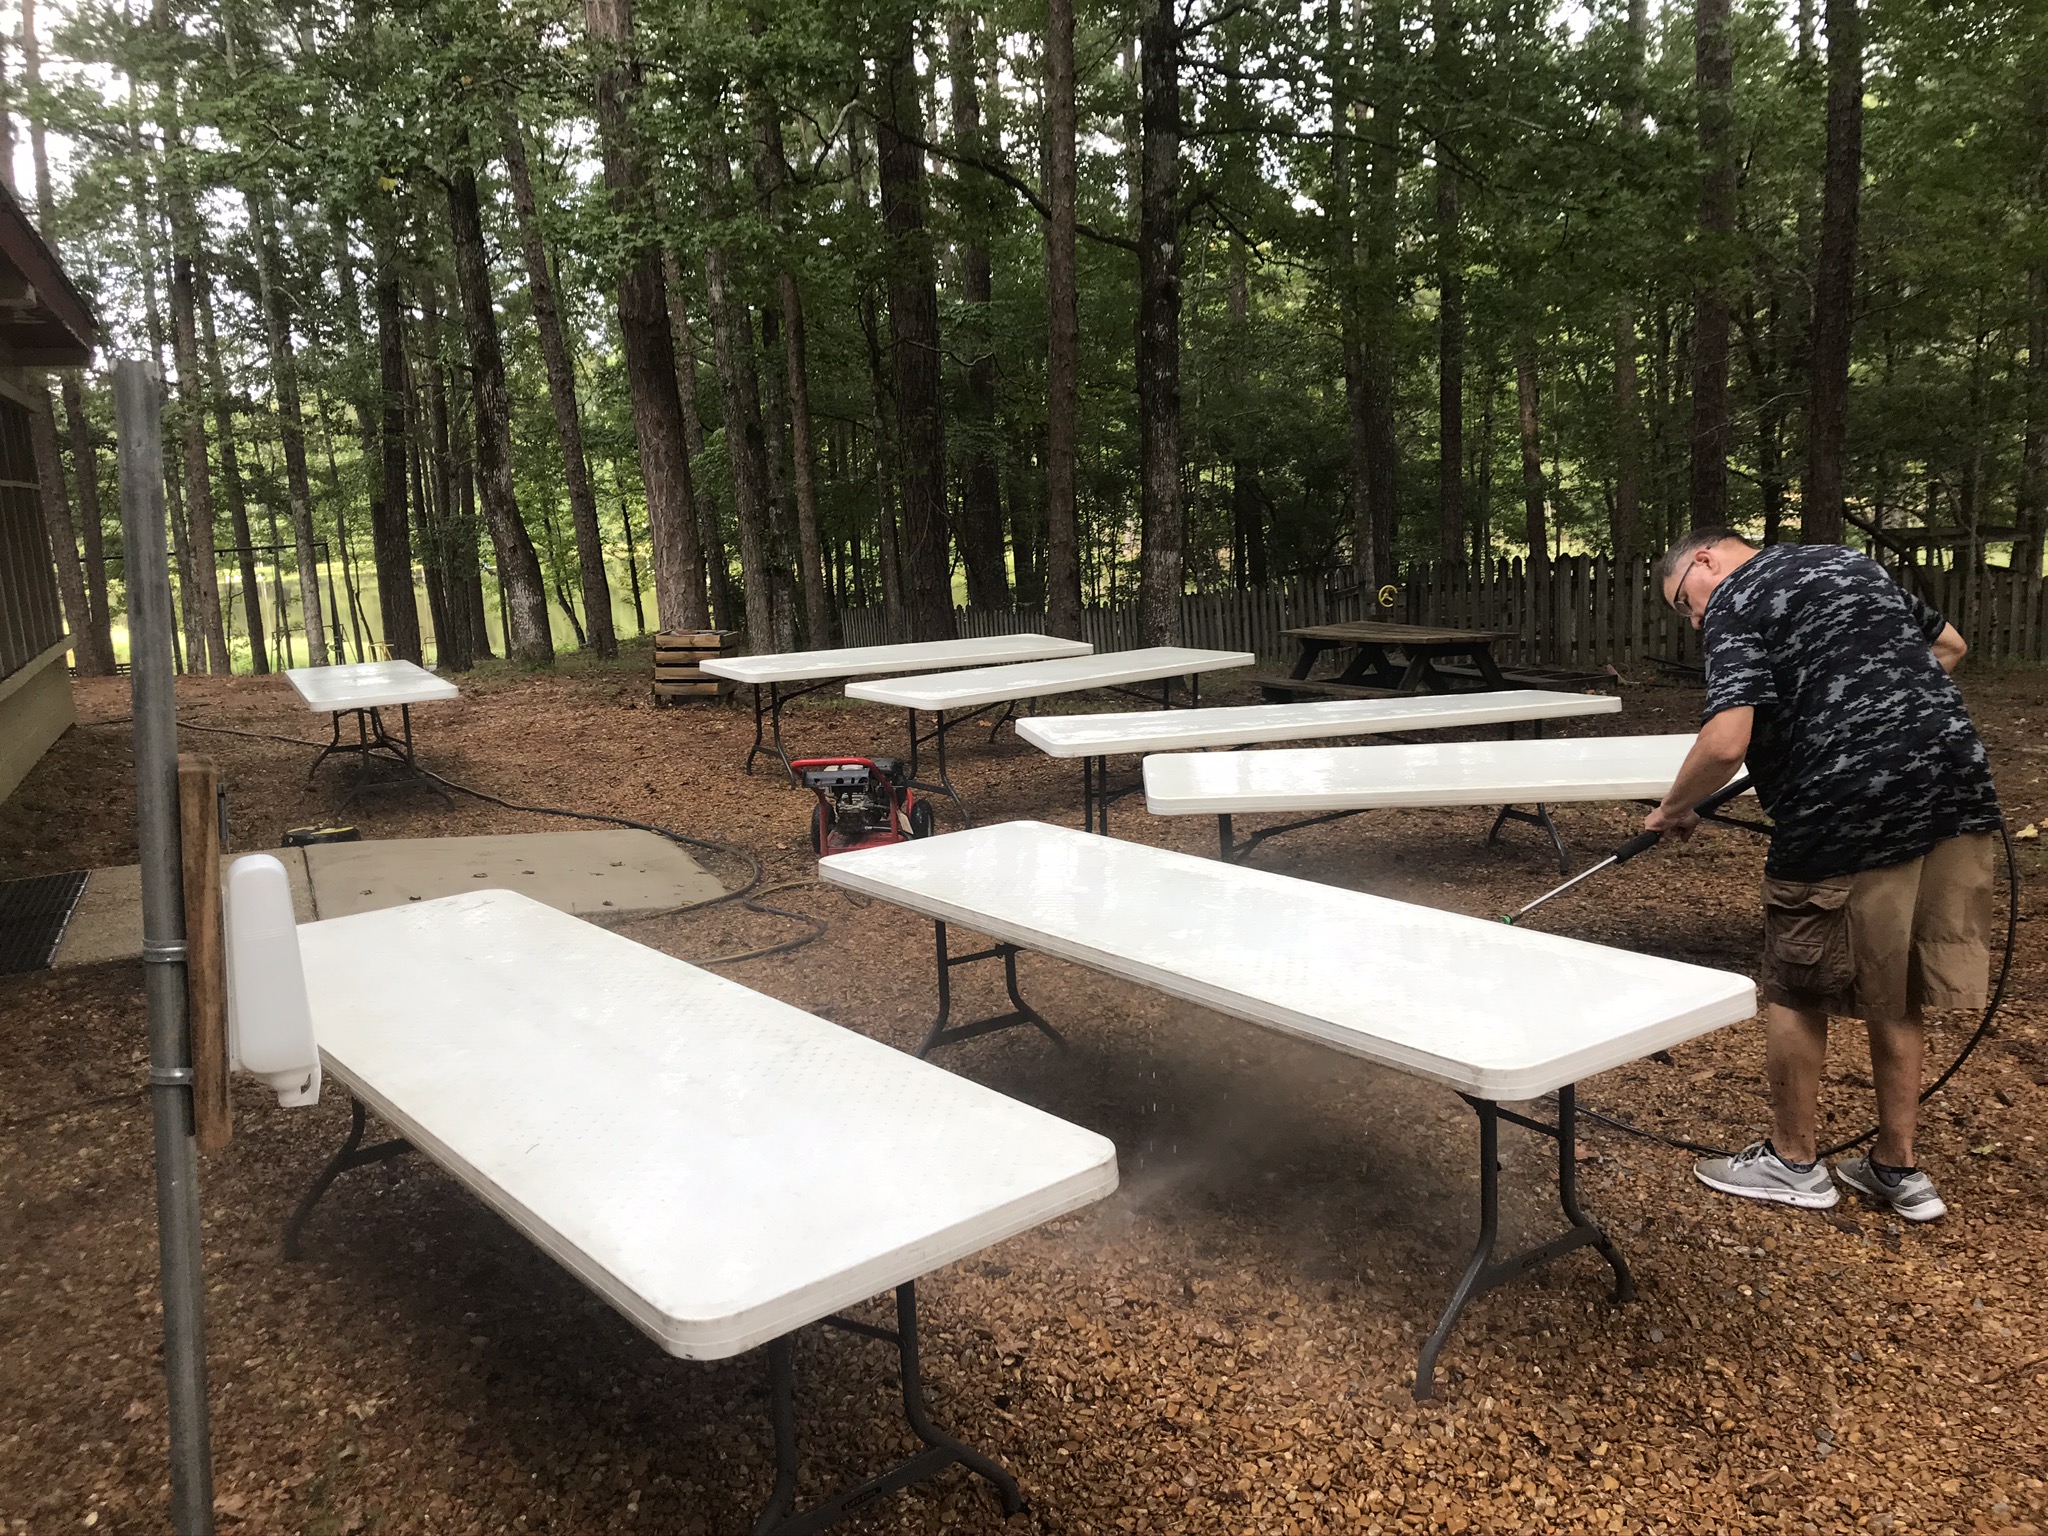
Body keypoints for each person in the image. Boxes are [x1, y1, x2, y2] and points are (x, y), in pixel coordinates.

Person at [1643, 529, 2002, 1223]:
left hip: (1846, 803)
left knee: (1797, 981)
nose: (1693, 621)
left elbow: (1725, 742)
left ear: (1706, 560)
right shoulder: (1845, 561)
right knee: (1894, 981)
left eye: (1683, 602)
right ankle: (1897, 1168)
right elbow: (1949, 646)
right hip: (1954, 784)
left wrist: (1673, 809)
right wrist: (1873, 716)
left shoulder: (1737, 598)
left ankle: (1793, 1162)